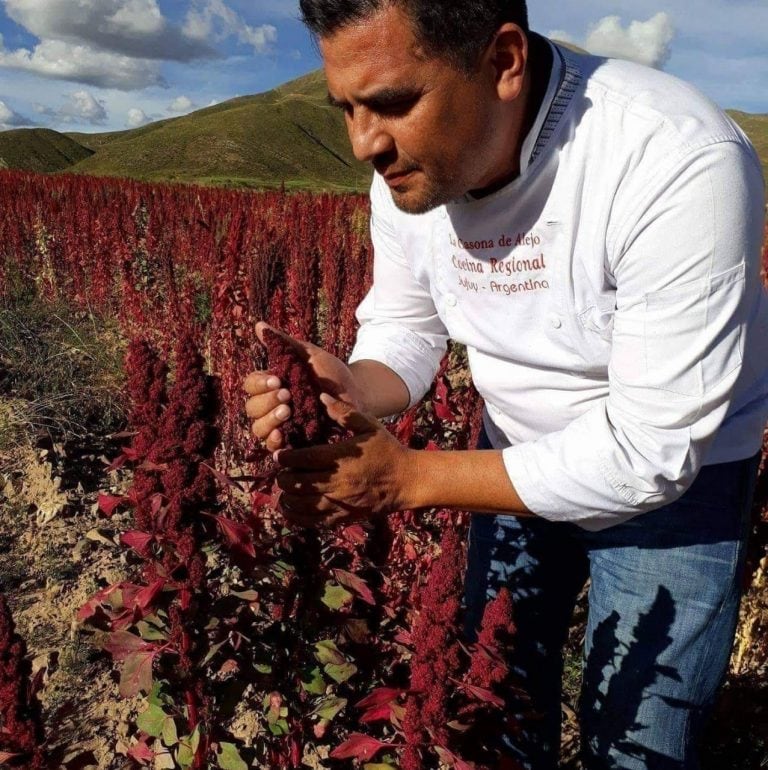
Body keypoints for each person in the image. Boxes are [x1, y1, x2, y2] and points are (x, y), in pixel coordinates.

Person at [243, 1, 768, 767]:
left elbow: (648, 452)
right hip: (512, 452)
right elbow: (407, 328)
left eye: (391, 103)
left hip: (680, 487)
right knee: (495, 708)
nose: (364, 144)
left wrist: (411, 479)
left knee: (636, 741)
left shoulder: (675, 159)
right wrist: (349, 385)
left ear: (505, 62)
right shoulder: (408, 173)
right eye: (346, 110)